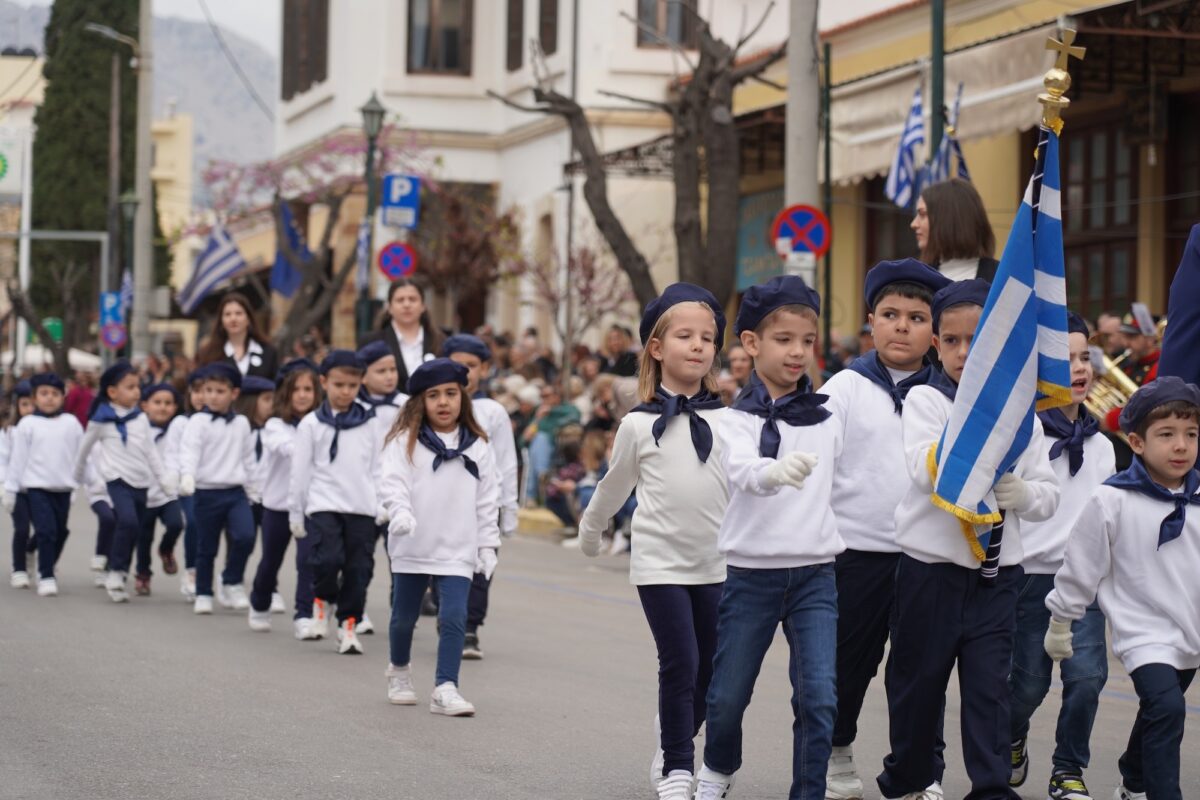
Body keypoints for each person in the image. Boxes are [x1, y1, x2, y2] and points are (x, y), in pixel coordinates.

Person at [877, 280, 1060, 800]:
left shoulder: (1024, 416)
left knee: (988, 690)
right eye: (951, 341)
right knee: (918, 686)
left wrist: (1022, 492)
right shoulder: (927, 400)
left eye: (976, 341)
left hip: (999, 578)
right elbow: (922, 468)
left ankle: (991, 788)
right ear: (936, 345)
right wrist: (983, 445)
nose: (962, 352)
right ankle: (908, 776)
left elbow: (1048, 497)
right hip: (929, 573)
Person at [578, 283, 729, 800]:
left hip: (716, 564)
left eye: (707, 337)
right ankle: (679, 769)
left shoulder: (730, 423)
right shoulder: (638, 426)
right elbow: (614, 484)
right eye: (685, 335)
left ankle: (673, 741)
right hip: (659, 564)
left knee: (710, 668)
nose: (697, 345)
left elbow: (749, 487)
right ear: (657, 349)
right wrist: (591, 528)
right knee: (681, 661)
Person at [696, 276, 841, 800]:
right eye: (784, 339)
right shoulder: (733, 419)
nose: (798, 351)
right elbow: (744, 472)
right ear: (752, 343)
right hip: (752, 573)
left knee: (819, 696)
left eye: (807, 340)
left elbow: (854, 482)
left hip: (816, 575)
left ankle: (810, 791)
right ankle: (718, 765)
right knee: (728, 694)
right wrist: (774, 474)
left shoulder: (828, 416)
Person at [818, 258, 951, 799]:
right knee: (849, 664)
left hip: (926, 555)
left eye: (917, 317)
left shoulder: (947, 394)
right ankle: (837, 747)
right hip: (858, 553)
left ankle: (921, 771)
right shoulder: (845, 387)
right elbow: (821, 464)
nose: (902, 326)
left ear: (935, 332)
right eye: (890, 314)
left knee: (922, 674)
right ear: (870, 321)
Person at [1046, 377, 1200, 800]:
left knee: (1159, 711)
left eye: (1190, 435)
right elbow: (1082, 565)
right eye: (1166, 435)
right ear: (1135, 442)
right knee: (1167, 708)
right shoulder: (1110, 500)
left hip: (1191, 628)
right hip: (1143, 631)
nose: (1181, 446)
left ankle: (1132, 779)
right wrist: (1062, 619)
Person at [1007, 311, 1115, 800]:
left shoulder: (1103, 446)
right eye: (1065, 358)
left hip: (1084, 581)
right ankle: (1012, 735)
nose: (1078, 367)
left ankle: (1068, 768)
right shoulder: (1024, 434)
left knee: (1088, 679)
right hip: (1030, 578)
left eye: (1084, 357)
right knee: (1027, 683)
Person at [379, 358, 500, 717]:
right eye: (434, 395)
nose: (443, 402)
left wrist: (487, 544)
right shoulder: (405, 441)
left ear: (463, 398)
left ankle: (446, 686)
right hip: (413, 543)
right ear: (420, 401)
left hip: (457, 546)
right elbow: (392, 482)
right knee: (404, 618)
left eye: (451, 394)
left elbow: (488, 498)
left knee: (454, 616)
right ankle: (399, 671)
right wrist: (399, 512)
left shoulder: (478, 446)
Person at [287, 350, 383, 655]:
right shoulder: (311, 424)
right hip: (323, 503)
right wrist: (296, 512)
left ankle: (348, 626)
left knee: (358, 569)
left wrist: (383, 503)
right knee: (326, 561)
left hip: (361, 507)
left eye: (352, 386)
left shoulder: (370, 422)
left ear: (361, 384)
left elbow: (379, 466)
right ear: (323, 382)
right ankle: (323, 598)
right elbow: (300, 471)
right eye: (339, 384)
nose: (345, 392)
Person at [443, 334, 519, 660]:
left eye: (471, 366)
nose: (465, 372)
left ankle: (470, 628)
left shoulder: (492, 411)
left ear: (485, 369)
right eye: (458, 365)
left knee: (481, 565)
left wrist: (509, 507)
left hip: (484, 503)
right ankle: (449, 617)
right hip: (444, 501)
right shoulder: (435, 406)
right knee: (447, 565)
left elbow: (507, 461)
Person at [73, 362, 172, 602]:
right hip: (117, 480)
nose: (137, 392)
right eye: (130, 387)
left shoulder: (140, 419)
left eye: (138, 386)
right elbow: (84, 449)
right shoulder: (101, 420)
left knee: (135, 528)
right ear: (113, 392)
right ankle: (115, 571)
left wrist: (163, 480)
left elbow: (151, 453)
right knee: (126, 521)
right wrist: (77, 475)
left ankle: (120, 571)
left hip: (142, 481)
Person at [178, 363, 261, 615]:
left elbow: (248, 458)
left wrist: (253, 487)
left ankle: (231, 581)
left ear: (234, 394)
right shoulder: (198, 421)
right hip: (206, 491)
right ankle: (203, 591)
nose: (212, 396)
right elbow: (189, 450)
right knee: (207, 546)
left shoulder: (242, 424)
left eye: (219, 391)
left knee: (246, 536)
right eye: (208, 390)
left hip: (235, 492)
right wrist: (188, 475)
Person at [249, 358, 322, 638]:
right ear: (286, 394)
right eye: (296, 389)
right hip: (278, 505)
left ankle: (304, 614)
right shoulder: (274, 426)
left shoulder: (321, 425)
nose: (302, 395)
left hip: (311, 506)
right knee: (271, 560)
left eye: (308, 389)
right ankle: (259, 602)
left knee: (308, 561)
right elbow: (288, 449)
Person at [3, 374, 83, 596]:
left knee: (59, 531)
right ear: (35, 397)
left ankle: (42, 560)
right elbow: (18, 460)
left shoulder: (71, 423)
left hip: (63, 488)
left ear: (63, 397)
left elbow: (79, 456)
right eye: (44, 394)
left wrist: (79, 485)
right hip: (36, 487)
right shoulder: (28, 424)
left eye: (55, 394)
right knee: (45, 530)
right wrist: (10, 488)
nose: (49, 399)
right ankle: (45, 575)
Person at [352, 338, 407, 636]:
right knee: (360, 557)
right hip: (363, 493)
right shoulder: (355, 407)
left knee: (400, 556)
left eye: (392, 369)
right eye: (380, 371)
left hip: (397, 493)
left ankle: (401, 610)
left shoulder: (406, 405)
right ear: (363, 375)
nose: (389, 376)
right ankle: (356, 610)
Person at [133, 383, 186, 597]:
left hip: (167, 493)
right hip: (143, 493)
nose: (163, 408)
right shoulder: (137, 428)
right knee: (143, 539)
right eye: (157, 402)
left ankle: (166, 548)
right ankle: (143, 574)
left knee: (176, 523)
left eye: (168, 403)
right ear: (145, 405)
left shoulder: (178, 429)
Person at [234, 375, 277, 604]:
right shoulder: (240, 429)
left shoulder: (275, 428)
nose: (273, 404)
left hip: (268, 494)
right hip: (244, 494)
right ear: (251, 402)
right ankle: (234, 580)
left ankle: (272, 587)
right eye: (267, 399)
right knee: (244, 539)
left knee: (271, 545)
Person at [359, 278, 444, 390]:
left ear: (423, 306)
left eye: (412, 299)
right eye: (400, 300)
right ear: (389, 307)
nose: (406, 304)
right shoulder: (371, 341)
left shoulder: (440, 341)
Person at [911, 178, 998, 282]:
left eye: (922, 214)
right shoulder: (916, 280)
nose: (913, 224)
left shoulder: (1000, 279)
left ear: (949, 218)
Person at [521, 381, 581, 503]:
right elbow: (522, 441)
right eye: (542, 396)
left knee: (540, 439)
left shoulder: (567, 409)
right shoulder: (540, 413)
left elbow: (575, 416)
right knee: (538, 442)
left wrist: (552, 412)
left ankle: (531, 494)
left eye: (547, 396)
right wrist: (537, 419)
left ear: (557, 396)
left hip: (560, 447)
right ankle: (542, 475)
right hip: (541, 450)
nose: (544, 399)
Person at [196, 292, 280, 379]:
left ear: (248, 319)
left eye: (238, 313)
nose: (233, 319)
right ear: (221, 321)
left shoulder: (268, 352)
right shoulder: (208, 353)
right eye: (227, 314)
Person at [3, 380, 34, 589]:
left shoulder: (50, 428)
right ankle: (19, 569)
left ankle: (30, 550)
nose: (29, 409)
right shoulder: (9, 432)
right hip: (18, 489)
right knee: (22, 528)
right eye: (24, 404)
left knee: (47, 529)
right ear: (17, 406)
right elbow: (3, 461)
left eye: (33, 403)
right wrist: (6, 487)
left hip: (42, 487)